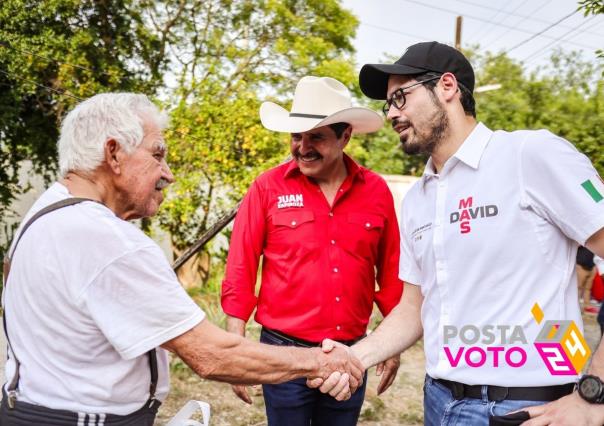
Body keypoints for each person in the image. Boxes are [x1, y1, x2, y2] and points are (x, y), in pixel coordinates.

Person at [0, 93, 364, 425]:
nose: (168, 174)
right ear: (113, 154)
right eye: (157, 155)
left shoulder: (46, 211)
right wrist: (322, 360)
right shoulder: (109, 240)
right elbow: (211, 356)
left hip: (28, 408)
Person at [311, 41, 604, 425]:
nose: (393, 114)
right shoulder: (418, 197)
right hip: (439, 401)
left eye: (400, 97)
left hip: (525, 407)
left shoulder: (530, 155)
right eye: (389, 104)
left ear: (447, 86)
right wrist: (356, 357)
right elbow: (413, 308)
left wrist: (593, 395)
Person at [220, 76, 404, 425]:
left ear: (345, 136)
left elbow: (392, 271)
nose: (302, 147)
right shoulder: (267, 187)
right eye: (296, 136)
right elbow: (240, 265)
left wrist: (391, 344)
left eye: (316, 136)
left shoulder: (376, 191)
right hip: (283, 352)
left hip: (352, 353)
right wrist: (236, 347)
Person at [577, 245, 597, 312]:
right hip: (580, 264)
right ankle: (576, 307)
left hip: (591, 266)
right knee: (578, 288)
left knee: (588, 289)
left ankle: (587, 306)